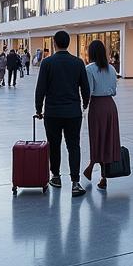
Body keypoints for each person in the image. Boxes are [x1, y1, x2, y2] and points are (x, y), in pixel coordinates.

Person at [34, 30, 90, 196]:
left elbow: (40, 89)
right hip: (73, 112)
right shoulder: (78, 63)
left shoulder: (47, 63)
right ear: (69, 43)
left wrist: (39, 109)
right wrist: (84, 104)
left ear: (54, 43)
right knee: (74, 146)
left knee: (54, 144)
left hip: (52, 112)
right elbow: (85, 88)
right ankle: (75, 182)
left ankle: (56, 176)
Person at [83, 40, 120, 191]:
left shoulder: (89, 69)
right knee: (107, 138)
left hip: (97, 106)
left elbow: (89, 91)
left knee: (96, 137)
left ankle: (92, 164)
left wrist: (84, 105)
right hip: (110, 106)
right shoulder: (111, 68)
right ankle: (104, 176)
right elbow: (114, 90)